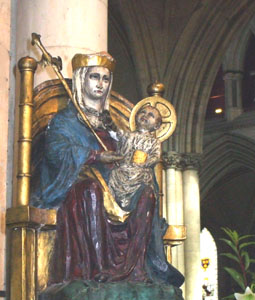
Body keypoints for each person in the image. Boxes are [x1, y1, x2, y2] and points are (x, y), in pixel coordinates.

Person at [31, 51, 184, 287]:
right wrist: (95, 156)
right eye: (94, 77)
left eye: (105, 79)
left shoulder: (115, 123)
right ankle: (96, 272)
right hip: (81, 181)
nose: (101, 84)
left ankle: (135, 271)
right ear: (82, 79)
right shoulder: (66, 120)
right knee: (91, 191)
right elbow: (55, 152)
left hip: (119, 184)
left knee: (147, 195)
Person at [108, 104, 162, 209]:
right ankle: (119, 201)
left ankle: (130, 201)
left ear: (156, 126)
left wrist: (146, 162)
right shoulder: (128, 135)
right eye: (143, 112)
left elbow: (156, 156)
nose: (145, 115)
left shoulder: (154, 142)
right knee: (114, 175)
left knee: (145, 188)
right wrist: (110, 124)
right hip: (122, 170)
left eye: (150, 115)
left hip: (140, 172)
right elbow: (117, 135)